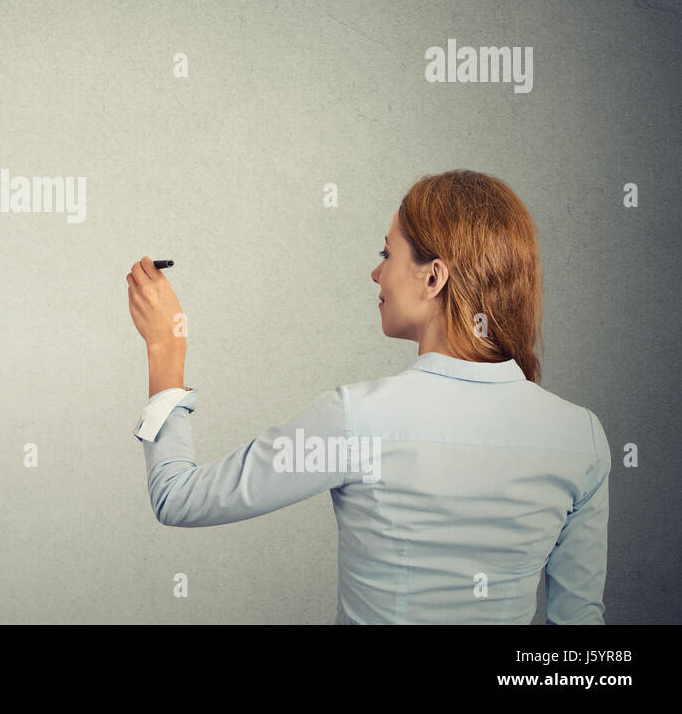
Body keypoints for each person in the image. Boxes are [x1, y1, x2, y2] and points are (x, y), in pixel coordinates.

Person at [126, 169, 610, 624]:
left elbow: (179, 498)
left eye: (386, 254)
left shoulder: (356, 419)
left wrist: (165, 347)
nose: (376, 274)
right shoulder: (580, 437)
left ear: (433, 277)